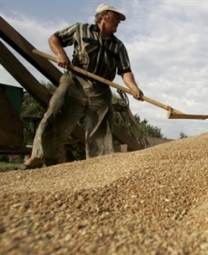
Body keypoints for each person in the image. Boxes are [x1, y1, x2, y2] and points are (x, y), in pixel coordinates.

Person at [17, 3, 143, 170]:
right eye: (116, 17)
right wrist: (61, 53)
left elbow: (125, 71)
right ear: (104, 16)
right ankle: (37, 157)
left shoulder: (118, 46)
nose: (119, 21)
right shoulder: (80, 29)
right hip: (75, 82)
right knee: (55, 114)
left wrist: (134, 88)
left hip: (100, 89)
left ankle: (98, 166)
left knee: (102, 128)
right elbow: (54, 38)